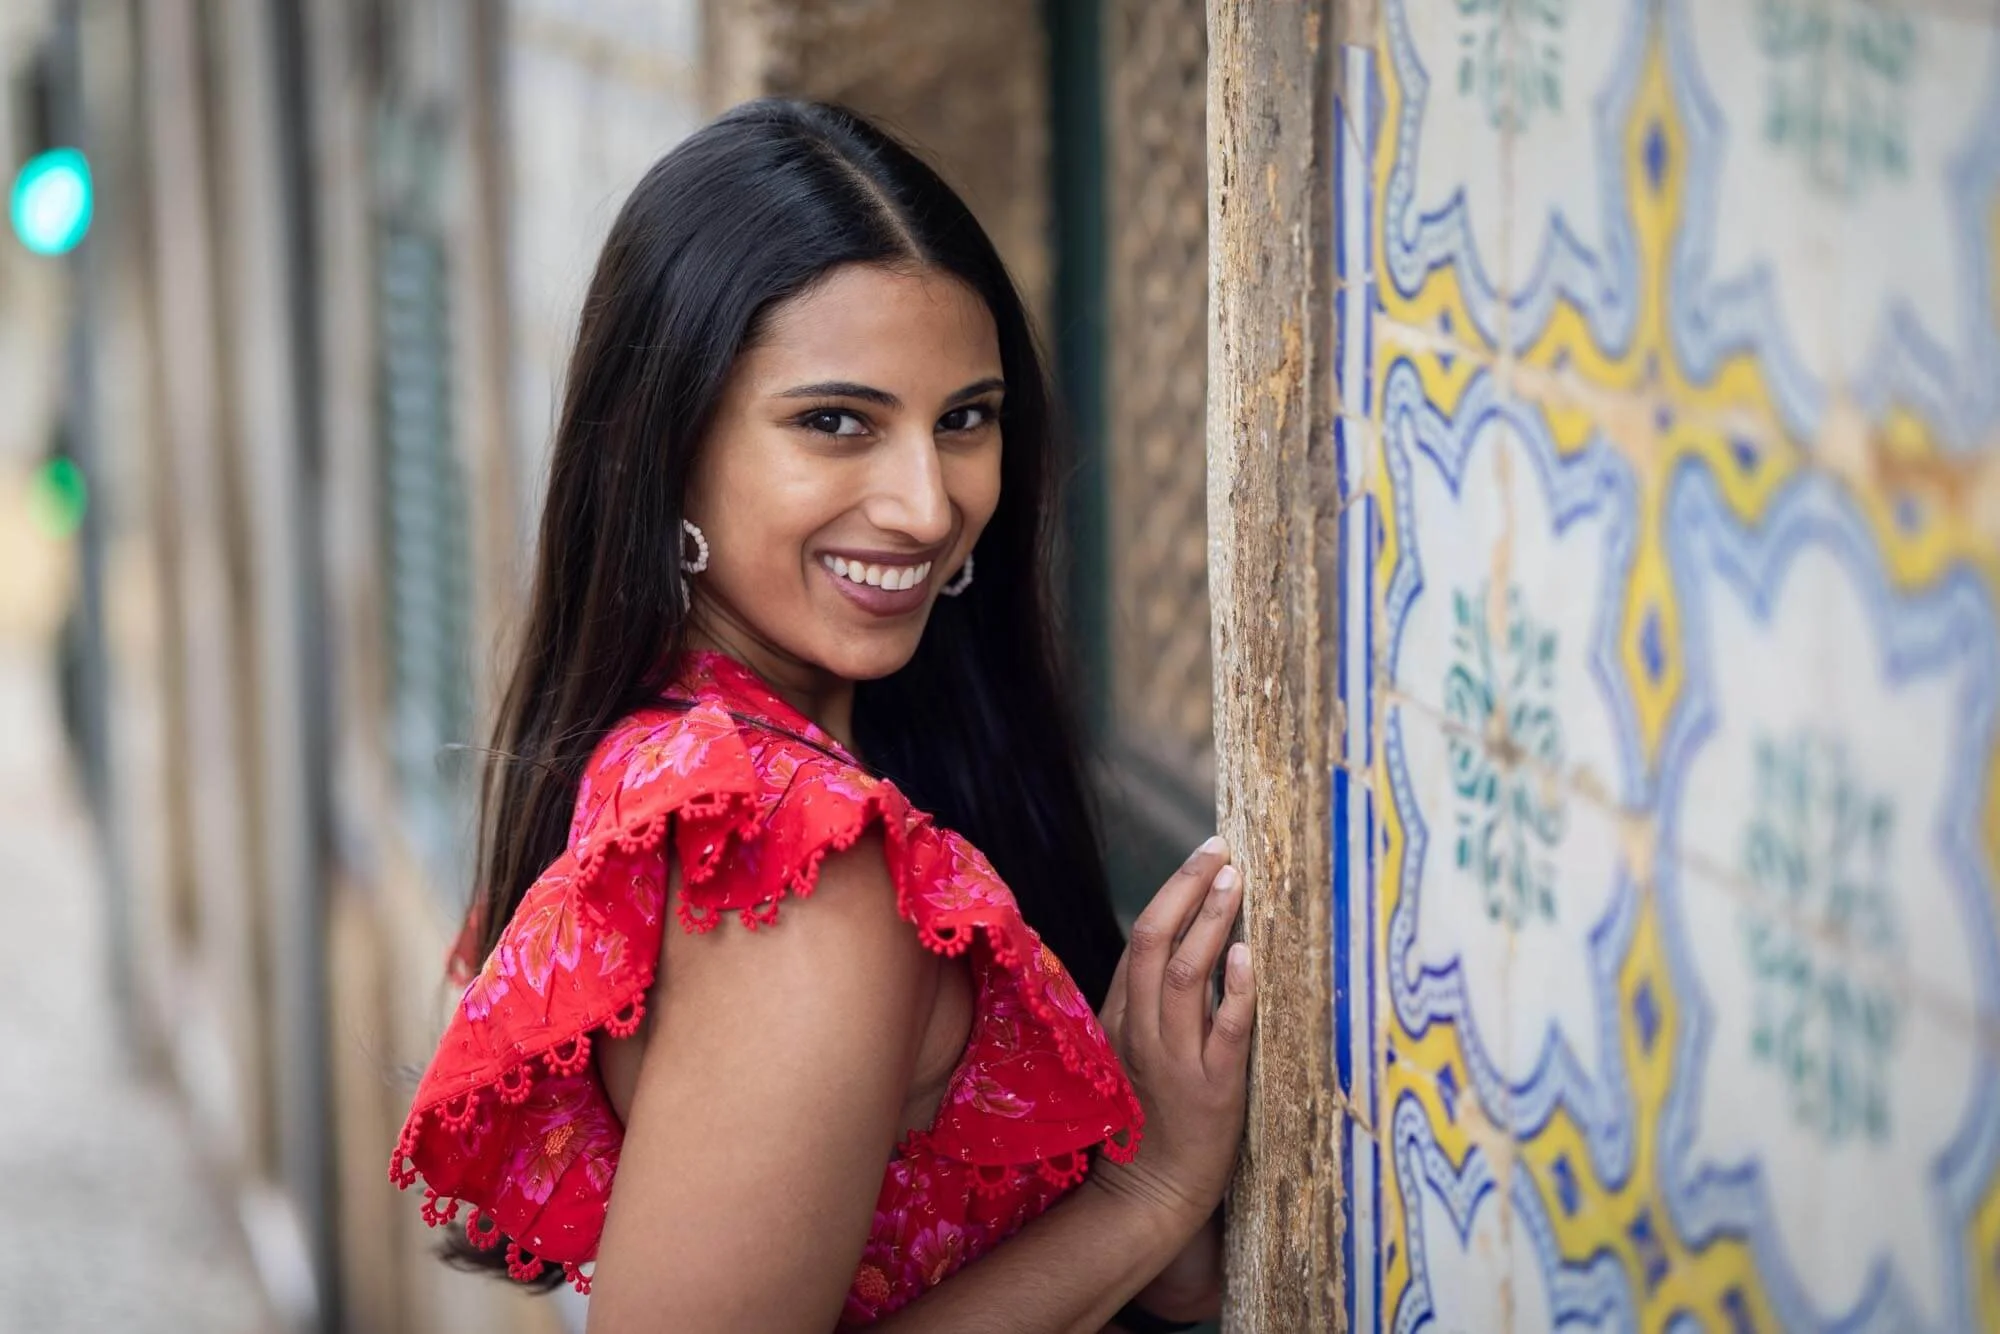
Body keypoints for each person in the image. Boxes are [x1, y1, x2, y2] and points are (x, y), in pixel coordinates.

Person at [389, 99, 1255, 1332]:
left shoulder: (668, 756)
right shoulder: (788, 866)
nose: (925, 504)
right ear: (667, 444)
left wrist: (1152, 1242)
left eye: (964, 418)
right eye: (834, 422)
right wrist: (1142, 1193)